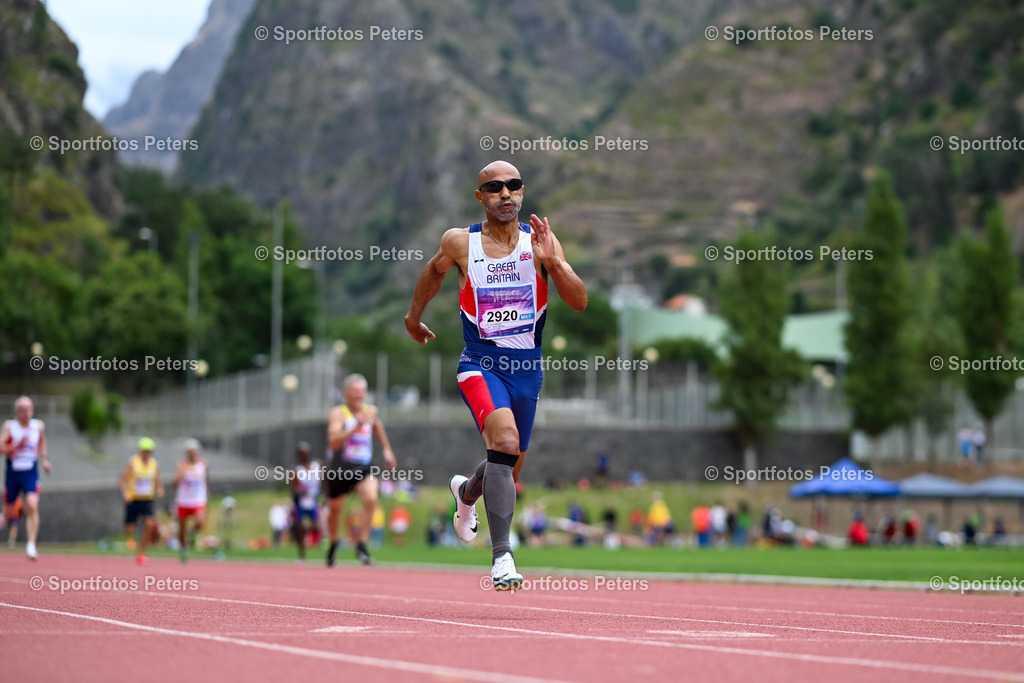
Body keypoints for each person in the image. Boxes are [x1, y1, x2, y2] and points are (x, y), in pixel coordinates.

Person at [405, 160, 588, 591]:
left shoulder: (541, 242)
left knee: (509, 465)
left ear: (522, 192)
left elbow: (579, 302)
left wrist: (554, 265)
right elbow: (432, 272)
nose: (505, 193)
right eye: (494, 187)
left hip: (528, 368)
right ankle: (502, 555)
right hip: (481, 362)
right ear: (480, 197)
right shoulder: (459, 242)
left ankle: (466, 493)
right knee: (504, 444)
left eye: (514, 186)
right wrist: (414, 318)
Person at [325, 374, 397, 566]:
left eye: (361, 392)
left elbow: (378, 427)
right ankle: (333, 542)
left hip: (364, 468)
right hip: (339, 470)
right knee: (334, 510)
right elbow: (333, 442)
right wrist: (355, 426)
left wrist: (387, 450)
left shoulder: (370, 411)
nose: (358, 396)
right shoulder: (338, 414)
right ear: (346, 393)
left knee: (371, 498)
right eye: (354, 392)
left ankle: (361, 544)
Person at [1, 396, 51, 560]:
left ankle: (31, 545)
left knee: (31, 505)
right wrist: (16, 445)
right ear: (17, 411)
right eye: (22, 410)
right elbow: (1, 448)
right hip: (13, 472)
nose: (26, 413)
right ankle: (3, 517)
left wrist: (44, 459)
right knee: (9, 511)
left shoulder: (38, 426)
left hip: (30, 471)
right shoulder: (10, 426)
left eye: (29, 410)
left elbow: (42, 442)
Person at [119, 437, 164, 564]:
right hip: (133, 500)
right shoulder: (133, 462)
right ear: (140, 451)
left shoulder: (154, 464)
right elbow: (122, 480)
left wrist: (160, 488)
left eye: (149, 451)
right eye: (144, 451)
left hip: (147, 500)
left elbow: (157, 479)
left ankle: (141, 553)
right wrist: (125, 492)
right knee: (129, 529)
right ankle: (131, 540)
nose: (146, 453)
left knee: (150, 525)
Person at [172, 438, 208, 562]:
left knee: (200, 522)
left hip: (198, 500)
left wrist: (207, 492)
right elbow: (174, 484)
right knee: (182, 530)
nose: (192, 454)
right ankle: (183, 549)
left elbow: (206, 479)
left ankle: (192, 534)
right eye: (190, 452)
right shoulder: (182, 465)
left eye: (194, 451)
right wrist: (180, 476)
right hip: (183, 501)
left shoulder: (203, 464)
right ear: (187, 453)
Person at [290, 441, 322, 561]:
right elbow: (292, 488)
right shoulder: (296, 469)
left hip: (314, 501)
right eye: (301, 453)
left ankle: (322, 550)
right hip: (301, 502)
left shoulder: (317, 465)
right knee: (299, 528)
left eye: (306, 453)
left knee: (317, 526)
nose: (304, 455)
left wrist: (325, 497)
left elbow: (324, 482)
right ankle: (302, 554)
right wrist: (300, 491)